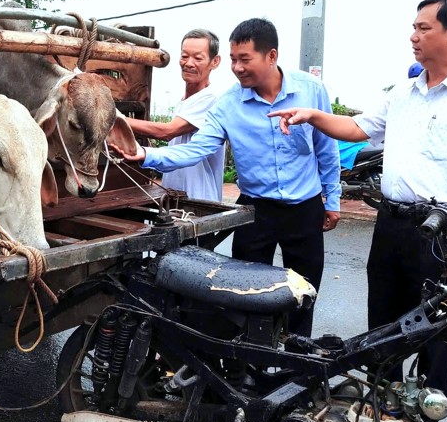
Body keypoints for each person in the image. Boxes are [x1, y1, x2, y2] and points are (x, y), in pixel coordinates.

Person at [268, 0, 447, 398]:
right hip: (392, 224)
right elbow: (357, 127)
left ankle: (427, 413)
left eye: (423, 28)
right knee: (383, 322)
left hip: (442, 232)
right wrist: (311, 115)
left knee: (437, 326)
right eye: (414, 27)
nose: (413, 36)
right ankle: (384, 401)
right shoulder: (404, 92)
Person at [113, 18, 341, 337]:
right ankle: (246, 370)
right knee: (243, 297)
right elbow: (197, 148)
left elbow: (326, 149)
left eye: (244, 59)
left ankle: (296, 367)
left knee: (304, 296)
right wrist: (147, 156)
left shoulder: (310, 90)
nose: (236, 68)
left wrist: (333, 199)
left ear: (271, 56)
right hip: (255, 213)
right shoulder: (229, 105)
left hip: (305, 210)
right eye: (233, 60)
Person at [124, 29, 225, 202]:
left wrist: (115, 118)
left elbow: (167, 131)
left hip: (198, 197)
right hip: (174, 194)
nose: (189, 63)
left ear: (215, 62)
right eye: (184, 56)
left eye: (198, 58)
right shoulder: (184, 101)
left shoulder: (210, 98)